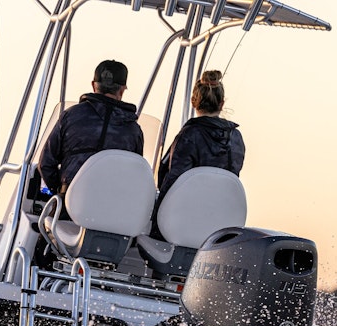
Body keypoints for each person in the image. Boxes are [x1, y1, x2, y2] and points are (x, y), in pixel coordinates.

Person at [151, 69, 246, 240]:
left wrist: (154, 226)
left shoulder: (189, 135)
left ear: (194, 101)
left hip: (183, 224)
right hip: (218, 228)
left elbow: (173, 183)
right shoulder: (236, 137)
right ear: (222, 103)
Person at [38, 59, 145, 198]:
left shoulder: (70, 116)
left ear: (94, 85)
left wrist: (60, 192)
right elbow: (136, 175)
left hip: (70, 206)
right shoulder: (133, 129)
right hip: (113, 211)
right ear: (122, 89)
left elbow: (46, 164)